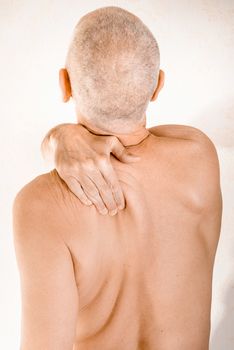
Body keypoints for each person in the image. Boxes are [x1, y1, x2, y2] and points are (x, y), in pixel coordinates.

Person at [13, 6, 222, 350]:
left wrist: (55, 138)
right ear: (157, 85)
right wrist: (59, 138)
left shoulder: (39, 206)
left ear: (64, 84)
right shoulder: (198, 154)